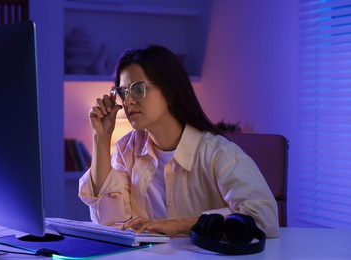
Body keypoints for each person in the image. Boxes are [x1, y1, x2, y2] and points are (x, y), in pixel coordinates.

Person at [79, 45, 279, 238]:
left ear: (170, 91)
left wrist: (179, 225)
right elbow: (108, 220)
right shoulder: (127, 149)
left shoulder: (217, 152)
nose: (129, 101)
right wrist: (101, 138)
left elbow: (264, 219)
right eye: (123, 92)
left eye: (138, 89)